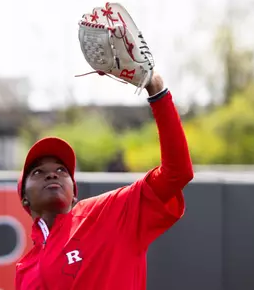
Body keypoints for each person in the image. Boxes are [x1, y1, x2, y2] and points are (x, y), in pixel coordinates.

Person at [15, 71, 194, 289]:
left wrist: (157, 93)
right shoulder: (25, 270)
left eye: (62, 170)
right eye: (38, 172)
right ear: (24, 198)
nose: (52, 174)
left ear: (74, 194)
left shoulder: (108, 212)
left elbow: (177, 172)